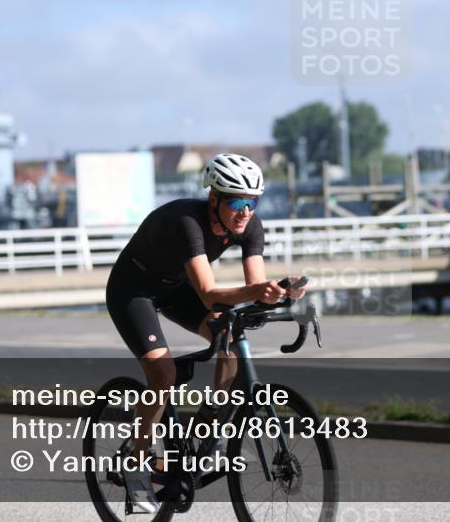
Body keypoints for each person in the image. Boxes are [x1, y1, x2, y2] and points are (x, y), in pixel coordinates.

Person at [105, 153, 306, 513]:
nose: (246, 211)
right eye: (238, 202)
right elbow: (211, 294)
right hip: (132, 290)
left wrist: (283, 293)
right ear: (214, 199)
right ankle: (136, 467)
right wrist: (258, 291)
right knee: (163, 373)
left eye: (253, 202)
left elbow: (255, 287)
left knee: (228, 336)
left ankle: (206, 429)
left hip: (175, 288)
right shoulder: (188, 223)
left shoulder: (250, 227)